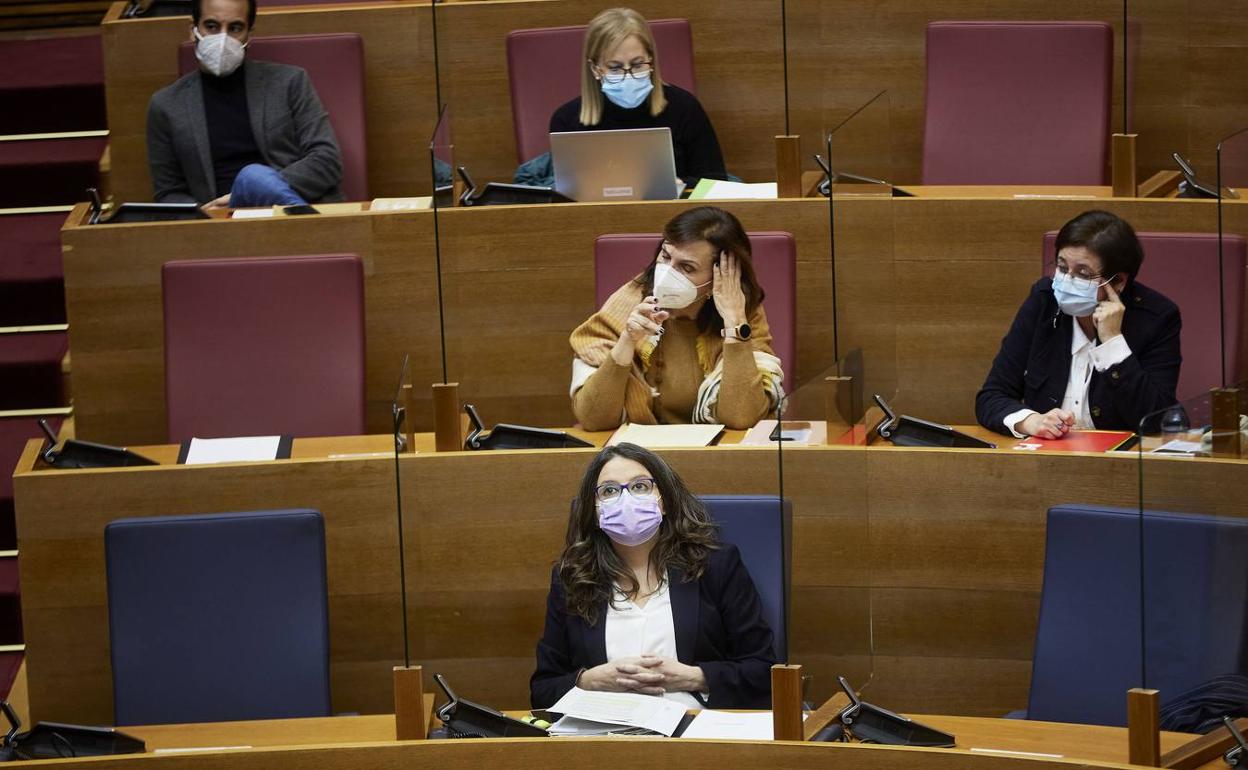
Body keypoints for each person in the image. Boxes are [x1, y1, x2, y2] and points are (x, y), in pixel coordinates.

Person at [530, 442, 776, 709]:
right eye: (609, 491)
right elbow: (543, 689)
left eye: (640, 487)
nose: (626, 499)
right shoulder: (572, 578)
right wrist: (589, 680)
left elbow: (764, 672)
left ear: (665, 501)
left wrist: (693, 677)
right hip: (604, 733)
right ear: (595, 510)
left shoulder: (715, 566)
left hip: (694, 730)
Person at [569, 206, 784, 431]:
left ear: (718, 278)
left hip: (716, 455)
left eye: (686, 267)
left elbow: (741, 418)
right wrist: (626, 342)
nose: (666, 272)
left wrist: (735, 326)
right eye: (666, 256)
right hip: (639, 454)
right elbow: (593, 419)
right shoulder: (629, 302)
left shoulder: (743, 314)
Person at [976, 210, 1182, 438]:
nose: (1067, 281)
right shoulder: (1044, 301)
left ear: (1120, 281)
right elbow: (991, 396)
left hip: (1121, 465)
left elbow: (1157, 421)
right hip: (1046, 459)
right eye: (1062, 268)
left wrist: (1113, 344)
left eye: (1083, 273)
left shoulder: (1156, 317)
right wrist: (1031, 421)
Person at [145, 0, 343, 209]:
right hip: (219, 226)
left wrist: (257, 189)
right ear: (193, 30)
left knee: (253, 176)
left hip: (287, 211)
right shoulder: (166, 105)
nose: (223, 38)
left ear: (249, 34)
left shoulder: (289, 82)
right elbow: (168, 193)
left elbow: (327, 160)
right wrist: (203, 215)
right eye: (212, 26)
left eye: (235, 28)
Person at [548, 7, 728, 186]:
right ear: (595, 69)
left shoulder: (685, 107)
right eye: (615, 68)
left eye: (637, 64)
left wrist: (680, 184)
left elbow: (716, 181)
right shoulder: (567, 120)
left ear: (651, 61)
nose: (629, 75)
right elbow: (566, 194)